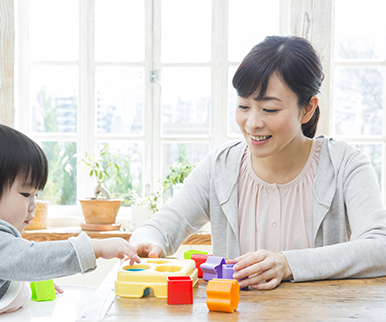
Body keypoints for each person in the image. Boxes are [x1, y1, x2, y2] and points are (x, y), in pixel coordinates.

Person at [130, 35, 386, 290]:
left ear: (307, 109)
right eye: (243, 106)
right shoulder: (220, 167)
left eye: (270, 110)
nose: (253, 123)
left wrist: (287, 264)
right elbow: (160, 227)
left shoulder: (345, 165)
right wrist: (149, 241)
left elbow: (380, 247)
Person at [0, 123, 140, 322]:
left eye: (36, 194)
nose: (34, 204)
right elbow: (28, 258)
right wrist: (95, 247)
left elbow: (2, 270)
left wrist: (24, 283)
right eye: (26, 193)